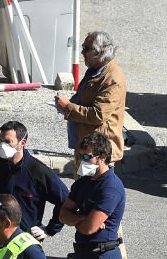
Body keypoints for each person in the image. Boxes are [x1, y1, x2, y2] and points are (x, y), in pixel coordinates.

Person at [0, 120, 68, 243]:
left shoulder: (38, 172)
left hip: (24, 240)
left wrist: (50, 230)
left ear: (22, 143)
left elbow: (65, 200)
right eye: (1, 141)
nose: (3, 145)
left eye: (8, 142)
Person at [59, 132, 126, 259]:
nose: (82, 161)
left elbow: (89, 228)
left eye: (87, 156)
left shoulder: (111, 188)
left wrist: (79, 220)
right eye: (80, 156)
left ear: (102, 157)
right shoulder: (83, 183)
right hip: (82, 256)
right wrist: (82, 218)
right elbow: (62, 215)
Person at [54, 30, 127, 171]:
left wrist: (68, 107)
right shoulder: (95, 70)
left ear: (100, 52)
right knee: (81, 190)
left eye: (86, 49)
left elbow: (98, 115)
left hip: (98, 152)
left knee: (94, 189)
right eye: (83, 47)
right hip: (86, 146)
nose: (82, 53)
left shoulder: (113, 79)